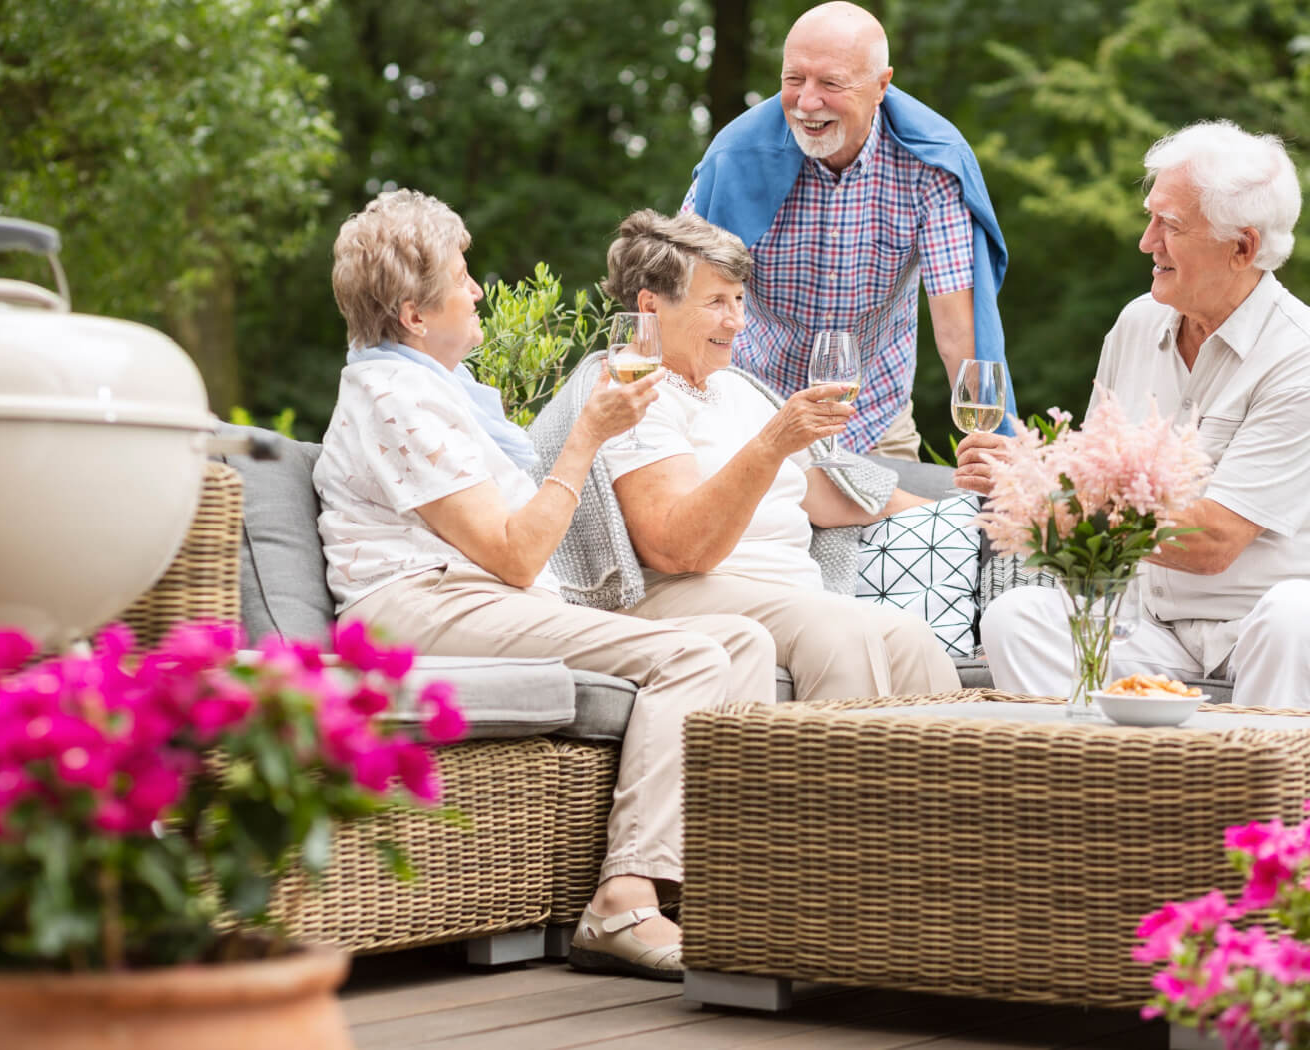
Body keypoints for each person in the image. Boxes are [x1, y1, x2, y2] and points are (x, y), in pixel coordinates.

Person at [313, 190, 781, 982]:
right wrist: (588, 433)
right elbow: (515, 555)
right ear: (413, 315)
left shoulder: (441, 392)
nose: (477, 290)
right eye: (462, 277)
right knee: (689, 658)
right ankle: (622, 903)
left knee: (743, 639)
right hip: (415, 608)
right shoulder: (391, 397)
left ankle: (721, 889)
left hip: (470, 599)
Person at [955, 121, 1310, 710]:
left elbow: (1214, 540)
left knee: (1295, 615)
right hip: (1158, 630)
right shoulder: (1135, 324)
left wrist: (1050, 490)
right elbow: (1089, 479)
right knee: (1019, 617)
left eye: (1171, 225)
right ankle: (1095, 796)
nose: (1146, 241)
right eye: (1151, 216)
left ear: (1243, 247)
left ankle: (1259, 800)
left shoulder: (1306, 356)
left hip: (1288, 626)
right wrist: (1031, 486)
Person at [596, 209, 962, 702]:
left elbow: (828, 499)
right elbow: (677, 548)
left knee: (913, 639)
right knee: (841, 633)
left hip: (787, 592)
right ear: (651, 306)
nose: (738, 321)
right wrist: (772, 445)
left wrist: (964, 515)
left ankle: (928, 782)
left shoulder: (739, 390)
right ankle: (826, 782)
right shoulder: (633, 391)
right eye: (717, 302)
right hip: (688, 586)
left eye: (741, 301)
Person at [682, 0, 1014, 459]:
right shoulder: (734, 158)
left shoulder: (933, 164)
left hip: (873, 417)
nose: (807, 102)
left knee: (899, 527)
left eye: (830, 83)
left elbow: (960, 335)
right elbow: (678, 303)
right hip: (749, 412)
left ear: (881, 86)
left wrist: (994, 456)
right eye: (794, 79)